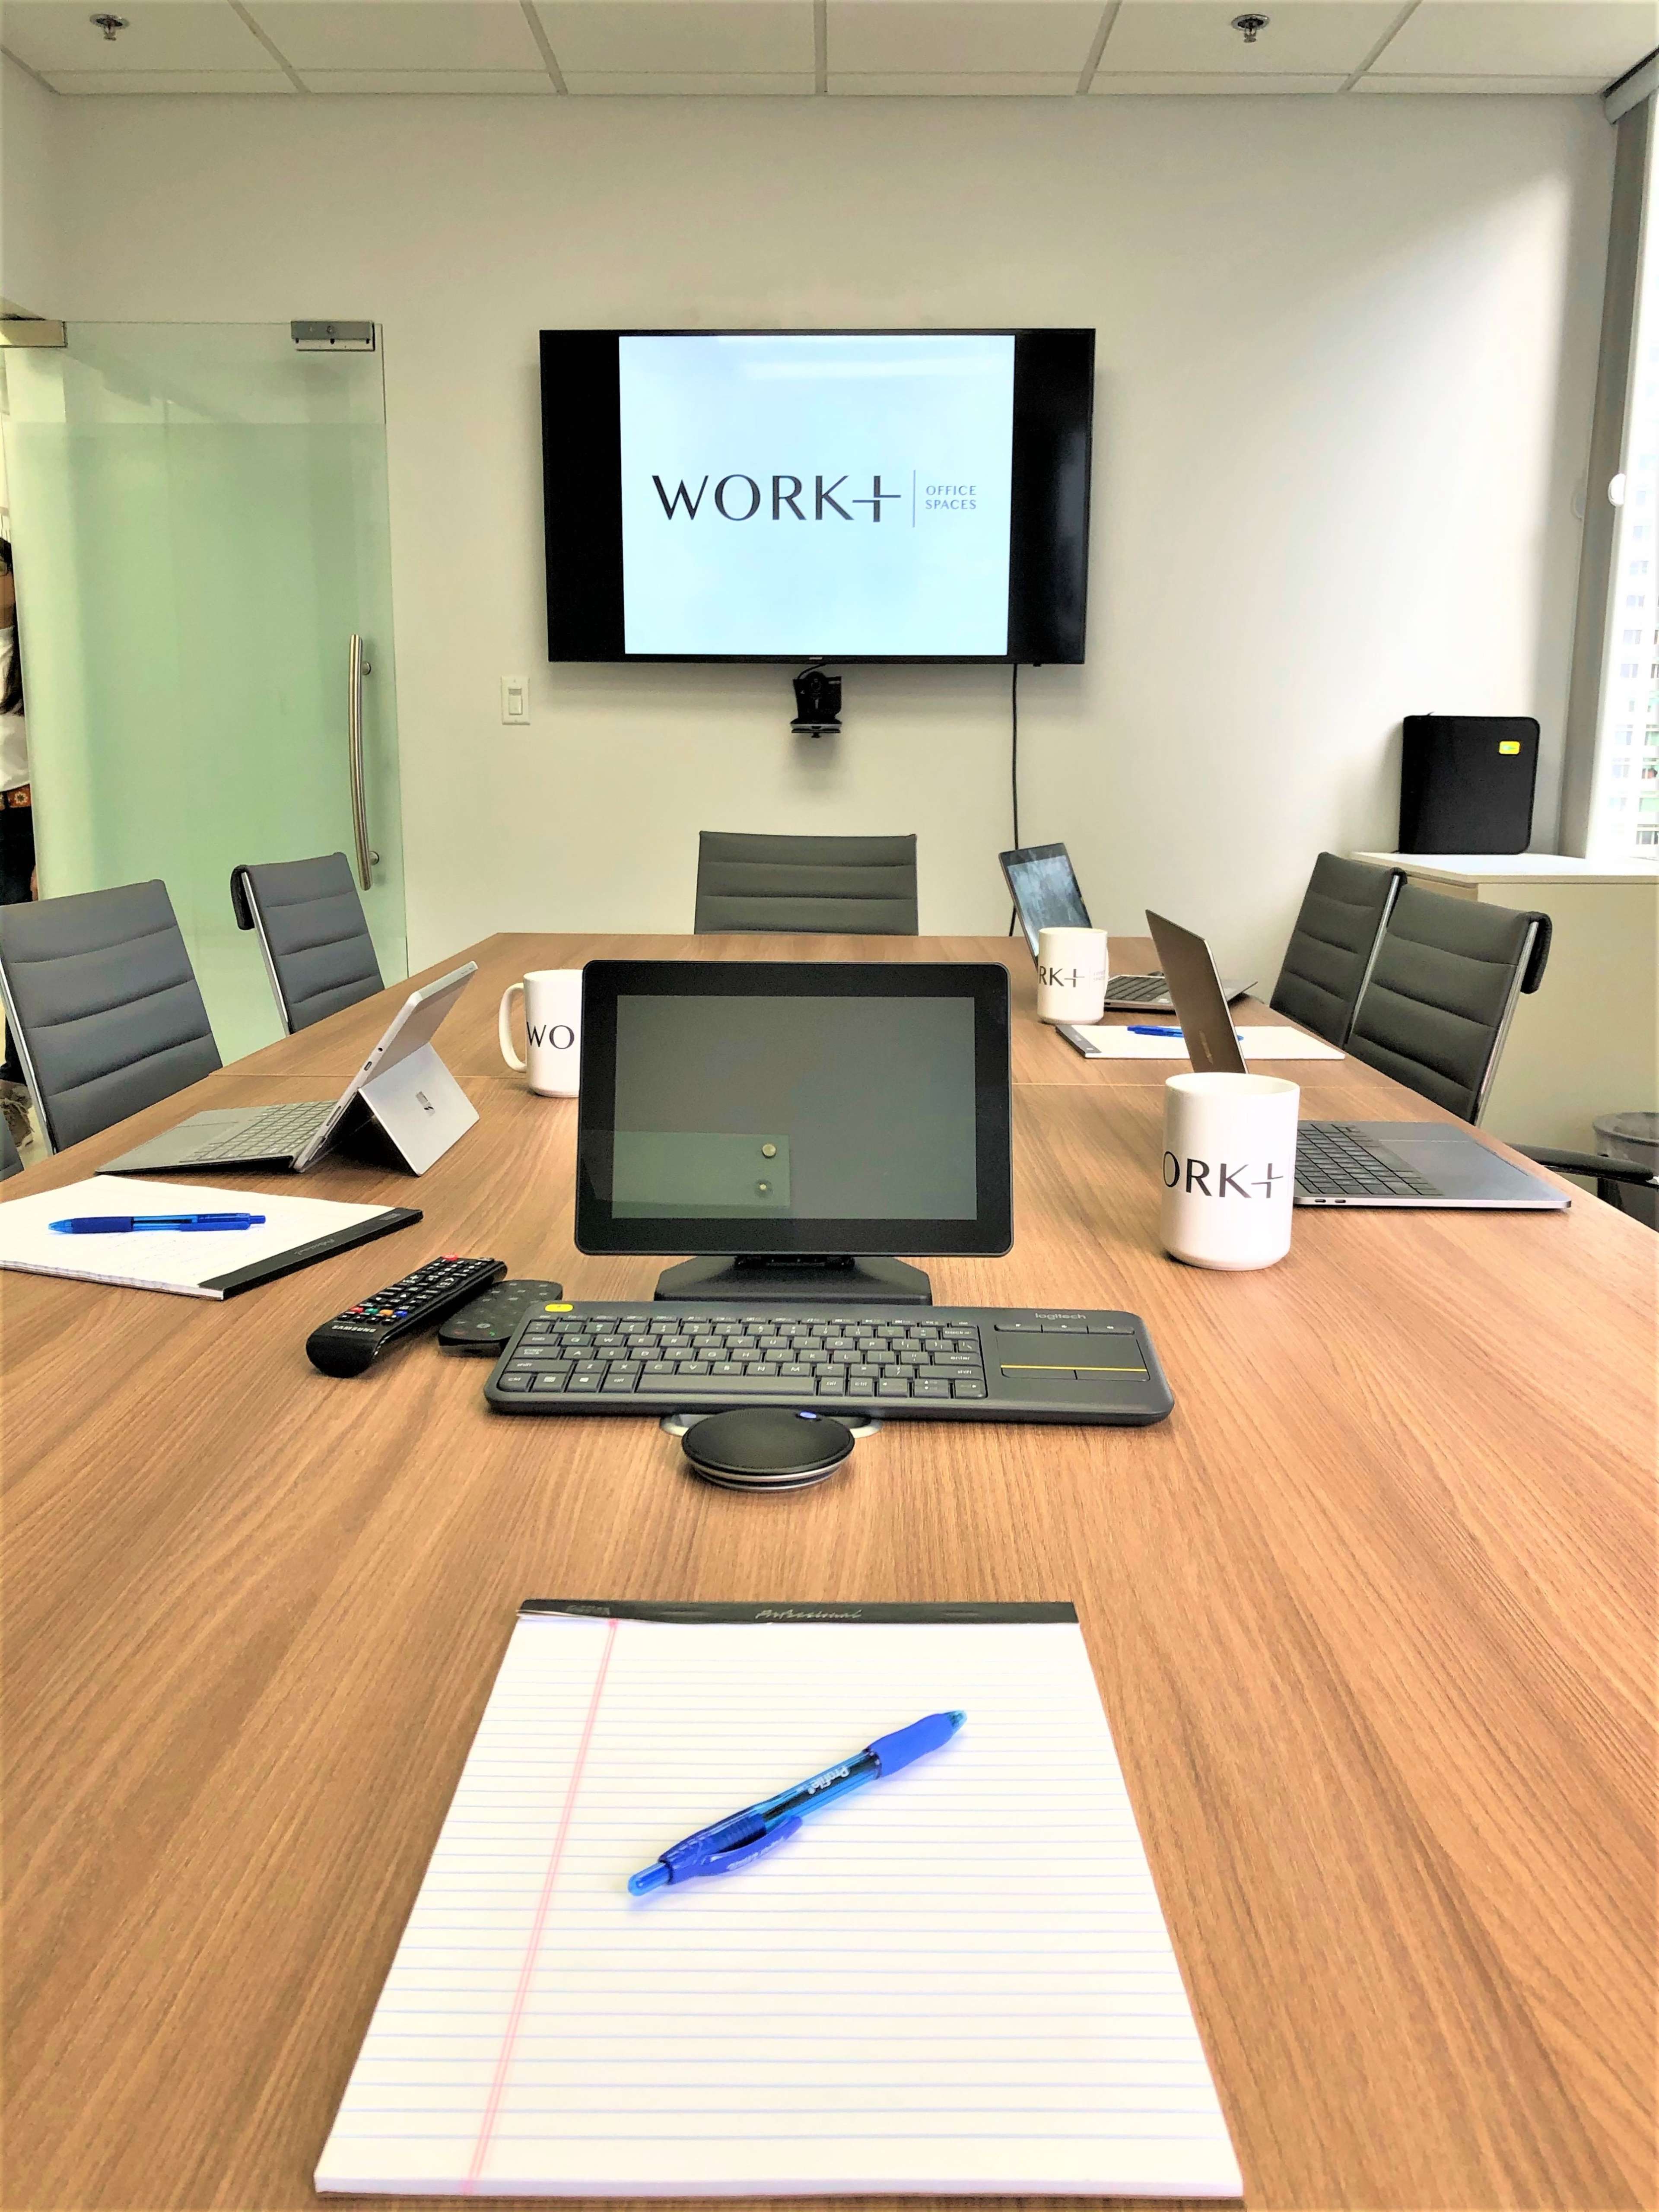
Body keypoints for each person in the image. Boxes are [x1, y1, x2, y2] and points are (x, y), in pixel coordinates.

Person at [0, 537, 35, 1144]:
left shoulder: (40, 647)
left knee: (22, 959)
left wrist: (47, 851)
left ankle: (18, 1093)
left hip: (26, 823)